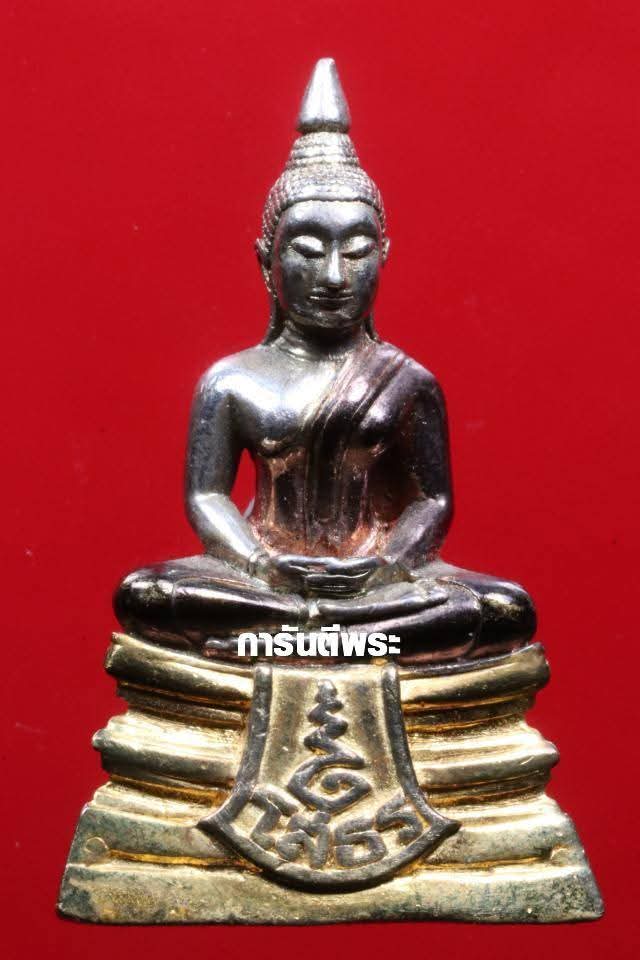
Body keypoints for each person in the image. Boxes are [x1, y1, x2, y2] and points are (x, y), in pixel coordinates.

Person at [115, 59, 535, 663]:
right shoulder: (232, 380)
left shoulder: (406, 381)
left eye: (358, 251)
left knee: (501, 609)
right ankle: (333, 633)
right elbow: (207, 497)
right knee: (149, 594)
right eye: (308, 251)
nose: (335, 275)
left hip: (374, 585)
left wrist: (385, 566)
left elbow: (431, 502)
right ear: (266, 260)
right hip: (265, 579)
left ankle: (288, 636)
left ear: (384, 256)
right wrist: (262, 563)